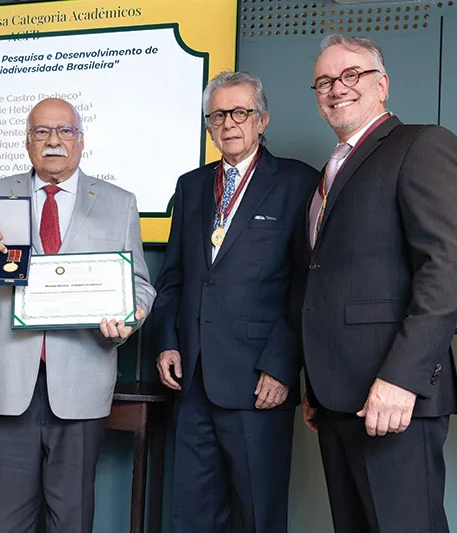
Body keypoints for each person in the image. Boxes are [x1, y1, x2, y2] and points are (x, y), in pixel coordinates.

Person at [0, 97, 155, 533]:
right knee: (8, 519)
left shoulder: (119, 202)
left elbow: (139, 285)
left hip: (82, 375)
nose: (53, 140)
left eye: (65, 131)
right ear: (27, 142)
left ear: (81, 140)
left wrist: (129, 316)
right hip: (8, 377)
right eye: (41, 131)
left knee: (72, 517)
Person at [300, 34, 457, 533]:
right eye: (324, 81)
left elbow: (446, 267)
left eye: (351, 74)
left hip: (394, 394)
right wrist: (315, 383)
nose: (337, 88)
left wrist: (402, 379)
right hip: (336, 397)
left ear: (382, 84)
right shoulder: (331, 171)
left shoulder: (423, 145)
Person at [151, 71, 317, 533]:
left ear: (262, 120)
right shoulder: (191, 186)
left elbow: (305, 284)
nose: (229, 124)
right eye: (218, 115)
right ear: (208, 126)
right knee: (193, 515)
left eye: (241, 112)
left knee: (258, 515)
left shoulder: (298, 182)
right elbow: (174, 276)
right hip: (192, 380)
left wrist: (282, 365)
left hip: (258, 381)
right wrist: (167, 342)